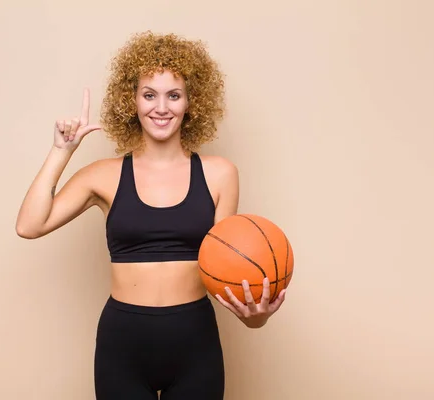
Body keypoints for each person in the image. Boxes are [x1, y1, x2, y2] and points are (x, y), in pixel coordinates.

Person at [15, 31, 287, 400]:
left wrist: (257, 314)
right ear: (133, 101)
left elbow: (227, 272)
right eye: (149, 95)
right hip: (122, 345)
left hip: (196, 342)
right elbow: (29, 225)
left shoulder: (220, 174)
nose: (161, 107)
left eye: (173, 95)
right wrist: (61, 151)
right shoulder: (103, 175)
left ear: (191, 102)